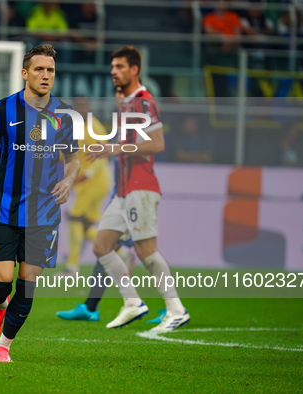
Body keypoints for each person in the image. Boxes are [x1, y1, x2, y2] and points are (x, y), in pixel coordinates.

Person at [0, 44, 80, 363]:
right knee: (2, 280)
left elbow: (73, 160)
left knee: (28, 285)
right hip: (4, 211)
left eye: (51, 71)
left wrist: (69, 179)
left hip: (43, 216)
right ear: (25, 73)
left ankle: (3, 346)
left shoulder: (64, 114)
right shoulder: (3, 109)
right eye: (40, 69)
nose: (46, 75)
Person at [73, 46, 189, 332]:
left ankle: (176, 309)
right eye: (112, 66)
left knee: (146, 250)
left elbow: (158, 143)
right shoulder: (126, 102)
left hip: (141, 187)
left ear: (134, 70)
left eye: (120, 67)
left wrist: (113, 148)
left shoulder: (145, 102)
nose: (113, 71)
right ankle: (132, 303)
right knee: (102, 247)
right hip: (122, 190)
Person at [56, 96, 112, 277]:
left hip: (95, 182)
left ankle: (72, 267)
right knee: (86, 225)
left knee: (74, 218)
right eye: (78, 106)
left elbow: (103, 155)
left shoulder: (95, 127)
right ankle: (119, 252)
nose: (81, 108)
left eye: (84, 105)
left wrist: (86, 175)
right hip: (85, 184)